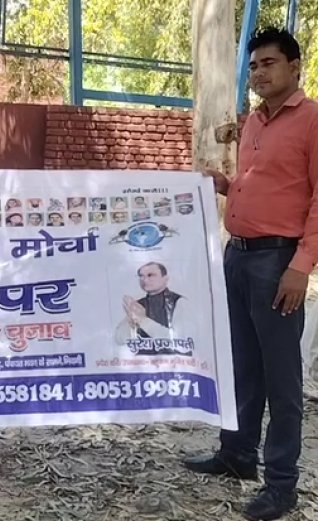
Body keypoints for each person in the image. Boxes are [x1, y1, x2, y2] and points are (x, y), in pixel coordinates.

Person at [184, 27, 316, 520]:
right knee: (240, 364)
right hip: (237, 256)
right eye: (254, 65)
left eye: (269, 63)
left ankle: (281, 485)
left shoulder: (312, 120)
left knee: (282, 379)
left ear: (294, 67)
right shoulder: (255, 122)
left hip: (277, 263)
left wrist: (301, 266)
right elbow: (264, 183)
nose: (259, 73)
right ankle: (237, 454)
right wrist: (224, 184)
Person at [113, 262, 192, 345]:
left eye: (150, 275)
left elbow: (180, 340)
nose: (144, 280)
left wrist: (143, 320)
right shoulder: (138, 305)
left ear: (165, 279)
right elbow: (119, 339)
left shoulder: (179, 302)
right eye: (141, 276)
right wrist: (131, 321)